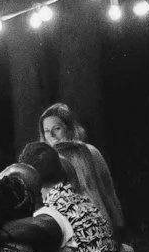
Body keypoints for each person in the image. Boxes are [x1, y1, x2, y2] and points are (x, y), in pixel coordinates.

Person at [39, 102, 125, 240]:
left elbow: (108, 190)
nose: (52, 136)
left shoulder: (90, 152)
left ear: (69, 128)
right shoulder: (48, 160)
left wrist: (119, 225)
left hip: (93, 225)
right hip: (68, 229)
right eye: (47, 131)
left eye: (57, 128)